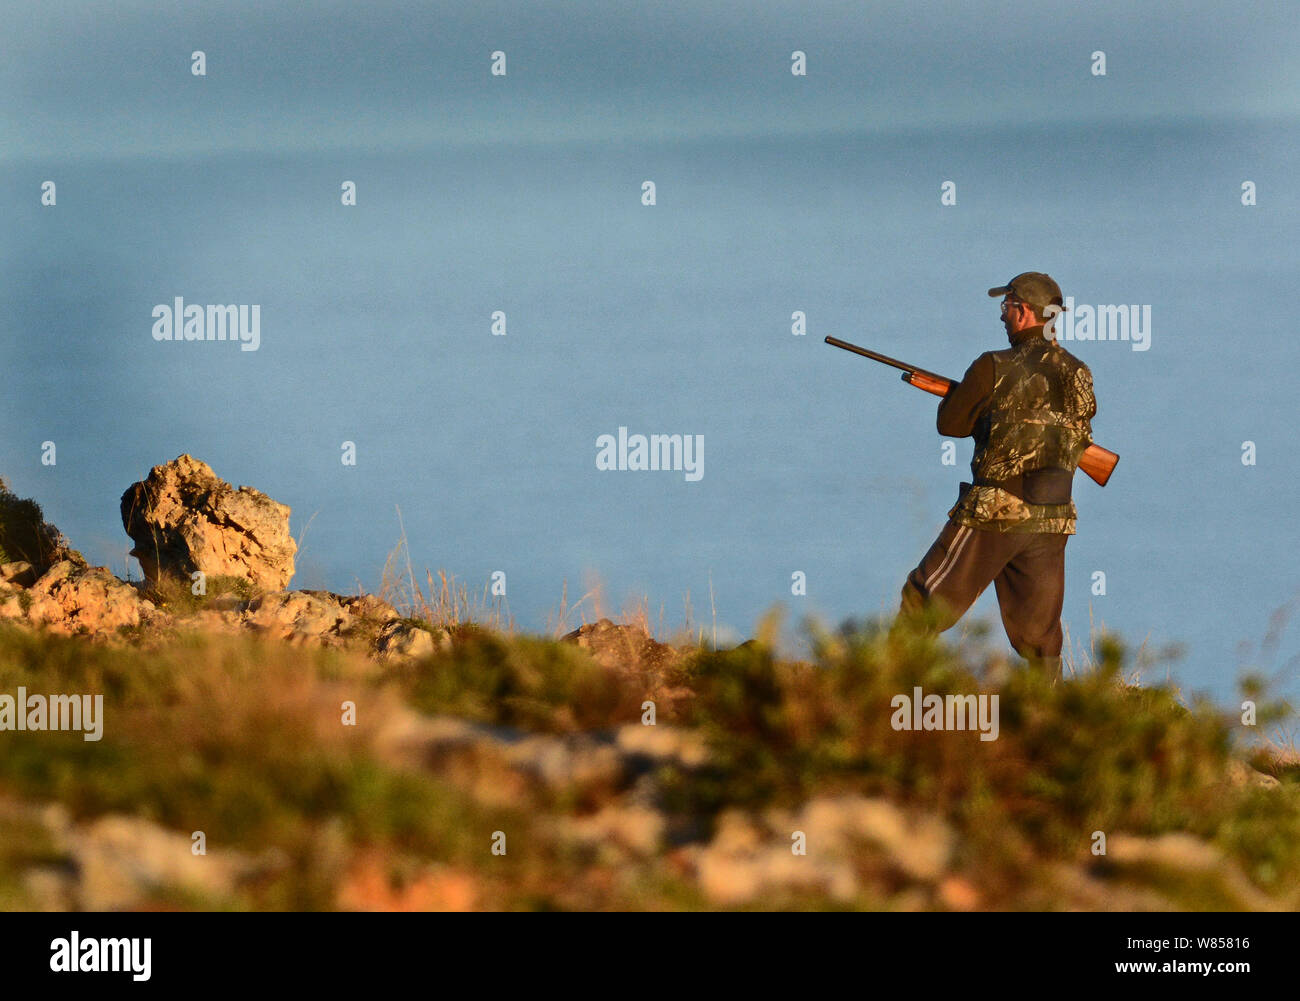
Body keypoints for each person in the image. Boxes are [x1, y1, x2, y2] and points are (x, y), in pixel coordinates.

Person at [897, 272, 1096, 682]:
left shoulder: (992, 366)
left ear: (1023, 311)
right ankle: (1048, 721)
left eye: (1005, 306)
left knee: (924, 599)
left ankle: (883, 692)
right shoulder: (1079, 372)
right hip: (1052, 517)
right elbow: (1071, 427)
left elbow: (950, 426)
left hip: (996, 512)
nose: (1001, 315)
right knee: (1039, 637)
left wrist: (963, 398)